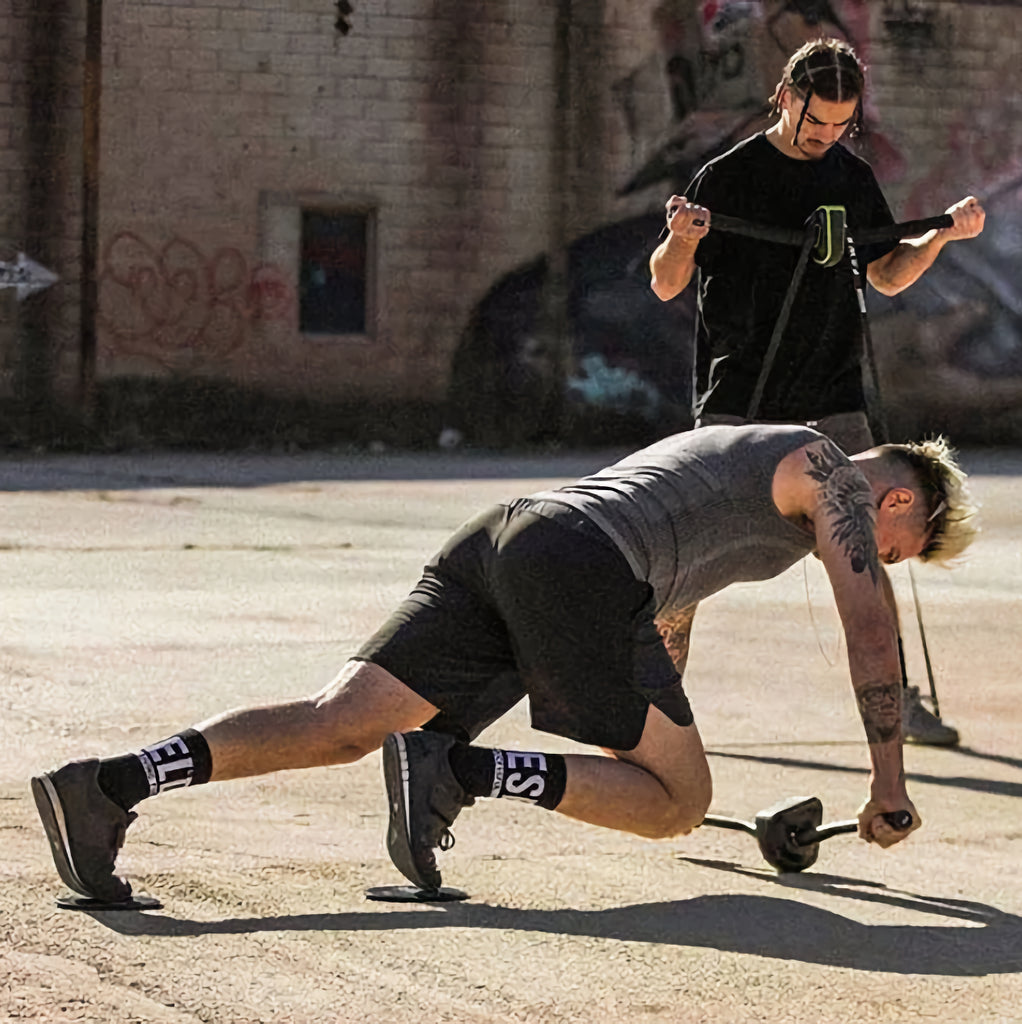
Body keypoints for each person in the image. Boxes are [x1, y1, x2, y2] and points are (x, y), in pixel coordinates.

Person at [32, 424, 977, 902]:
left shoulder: (754, 452)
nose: (887, 561)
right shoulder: (832, 478)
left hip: (513, 536)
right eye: (904, 549)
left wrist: (656, 701)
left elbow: (677, 589)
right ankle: (459, 771)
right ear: (898, 500)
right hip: (584, 569)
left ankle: (108, 785)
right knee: (679, 803)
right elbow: (871, 632)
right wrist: (887, 782)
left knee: (340, 723)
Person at [647, 37, 985, 746]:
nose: (825, 135)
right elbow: (666, 283)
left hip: (833, 396)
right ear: (784, 96)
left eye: (840, 124)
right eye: (814, 120)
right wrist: (681, 238)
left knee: (866, 550)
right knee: (684, 555)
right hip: (739, 398)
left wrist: (941, 238)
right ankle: (654, 709)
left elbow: (887, 274)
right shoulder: (728, 175)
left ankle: (896, 697)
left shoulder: (850, 177)